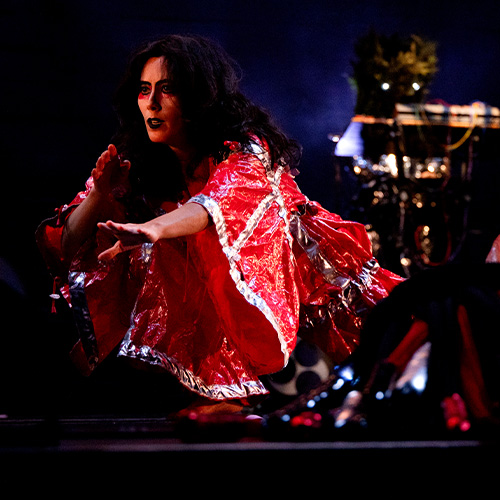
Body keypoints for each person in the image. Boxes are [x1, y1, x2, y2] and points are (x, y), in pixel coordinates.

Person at [36, 34, 403, 416]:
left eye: (168, 90)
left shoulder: (245, 149)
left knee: (396, 351)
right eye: (145, 90)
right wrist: (99, 195)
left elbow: (216, 207)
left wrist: (155, 228)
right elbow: (69, 247)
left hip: (307, 273)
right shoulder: (138, 161)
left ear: (198, 96)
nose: (152, 103)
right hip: (216, 298)